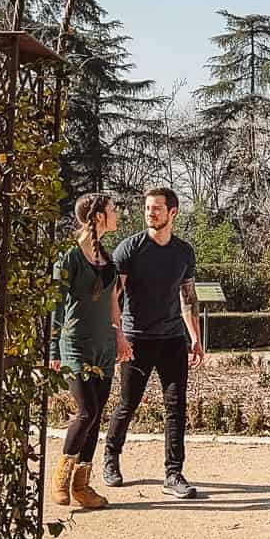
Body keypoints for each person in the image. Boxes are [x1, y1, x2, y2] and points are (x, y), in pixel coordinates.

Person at [101, 185, 205, 499]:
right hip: (136, 338)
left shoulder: (184, 252)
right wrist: (118, 334)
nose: (150, 213)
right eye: (148, 208)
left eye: (157, 208)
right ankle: (110, 457)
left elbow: (187, 297)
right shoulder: (129, 249)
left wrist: (195, 339)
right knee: (128, 404)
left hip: (172, 339)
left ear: (172, 213)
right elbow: (113, 296)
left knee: (176, 406)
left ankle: (173, 474)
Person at [49, 193, 133, 510]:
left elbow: (114, 303)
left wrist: (121, 338)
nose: (116, 214)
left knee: (95, 416)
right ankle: (62, 476)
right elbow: (56, 304)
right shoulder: (69, 258)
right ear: (98, 216)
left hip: (104, 347)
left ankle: (82, 487)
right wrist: (54, 348)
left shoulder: (108, 260)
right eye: (112, 210)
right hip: (75, 345)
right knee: (85, 411)